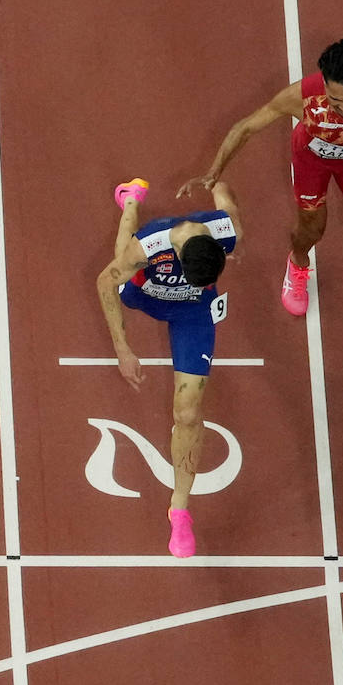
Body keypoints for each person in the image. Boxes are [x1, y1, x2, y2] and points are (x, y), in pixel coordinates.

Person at [177, 39, 343, 316]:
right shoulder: (300, 96)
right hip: (311, 162)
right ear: (324, 84)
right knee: (311, 228)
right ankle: (298, 263)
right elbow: (246, 128)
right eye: (335, 101)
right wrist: (214, 171)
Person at [96, 176, 244, 557]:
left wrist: (218, 181)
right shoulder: (151, 245)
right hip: (145, 295)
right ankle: (131, 201)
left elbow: (227, 202)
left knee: (189, 410)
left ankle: (179, 510)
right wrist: (123, 350)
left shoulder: (227, 233)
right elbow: (104, 283)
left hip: (192, 313)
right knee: (120, 258)